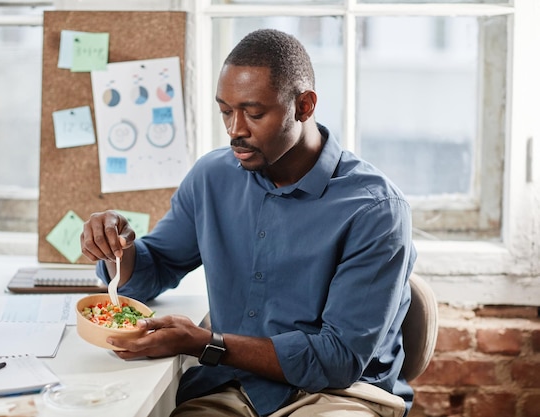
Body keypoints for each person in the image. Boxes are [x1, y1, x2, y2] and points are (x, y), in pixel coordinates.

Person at [81, 28, 416, 417]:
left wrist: (206, 344)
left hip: (340, 396)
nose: (235, 129)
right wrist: (116, 248)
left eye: (254, 113)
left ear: (304, 106)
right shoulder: (212, 177)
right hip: (231, 388)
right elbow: (152, 272)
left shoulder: (375, 209)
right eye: (226, 110)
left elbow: (338, 358)